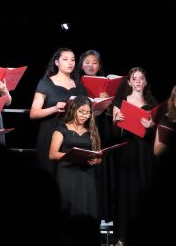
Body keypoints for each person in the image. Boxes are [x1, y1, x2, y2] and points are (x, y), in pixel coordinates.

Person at [111, 67, 158, 245]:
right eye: (134, 78)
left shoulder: (152, 103)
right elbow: (114, 133)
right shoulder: (120, 101)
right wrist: (117, 121)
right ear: (129, 82)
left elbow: (156, 135)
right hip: (127, 150)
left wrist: (151, 126)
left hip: (145, 151)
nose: (138, 81)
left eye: (141, 78)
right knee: (126, 191)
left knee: (144, 188)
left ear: (145, 82)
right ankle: (122, 235)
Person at [30, 47, 87, 177]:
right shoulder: (46, 83)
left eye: (73, 60)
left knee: (69, 176)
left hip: (73, 136)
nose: (70, 63)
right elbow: (33, 113)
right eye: (65, 59)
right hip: (50, 132)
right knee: (49, 174)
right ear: (57, 62)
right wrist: (54, 108)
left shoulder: (80, 87)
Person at [74, 49, 116, 221]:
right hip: (83, 126)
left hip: (102, 126)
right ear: (81, 64)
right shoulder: (75, 83)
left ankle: (103, 212)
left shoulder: (105, 84)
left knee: (102, 165)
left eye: (95, 63)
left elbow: (114, 112)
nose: (91, 66)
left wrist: (107, 100)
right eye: (87, 62)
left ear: (99, 66)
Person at [49, 95, 101, 219]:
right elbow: (52, 154)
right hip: (67, 172)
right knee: (67, 208)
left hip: (86, 174)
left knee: (85, 207)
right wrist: (71, 155)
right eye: (81, 112)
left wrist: (96, 160)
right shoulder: (62, 128)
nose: (85, 115)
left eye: (88, 113)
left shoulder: (91, 130)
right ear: (74, 110)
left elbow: (99, 154)